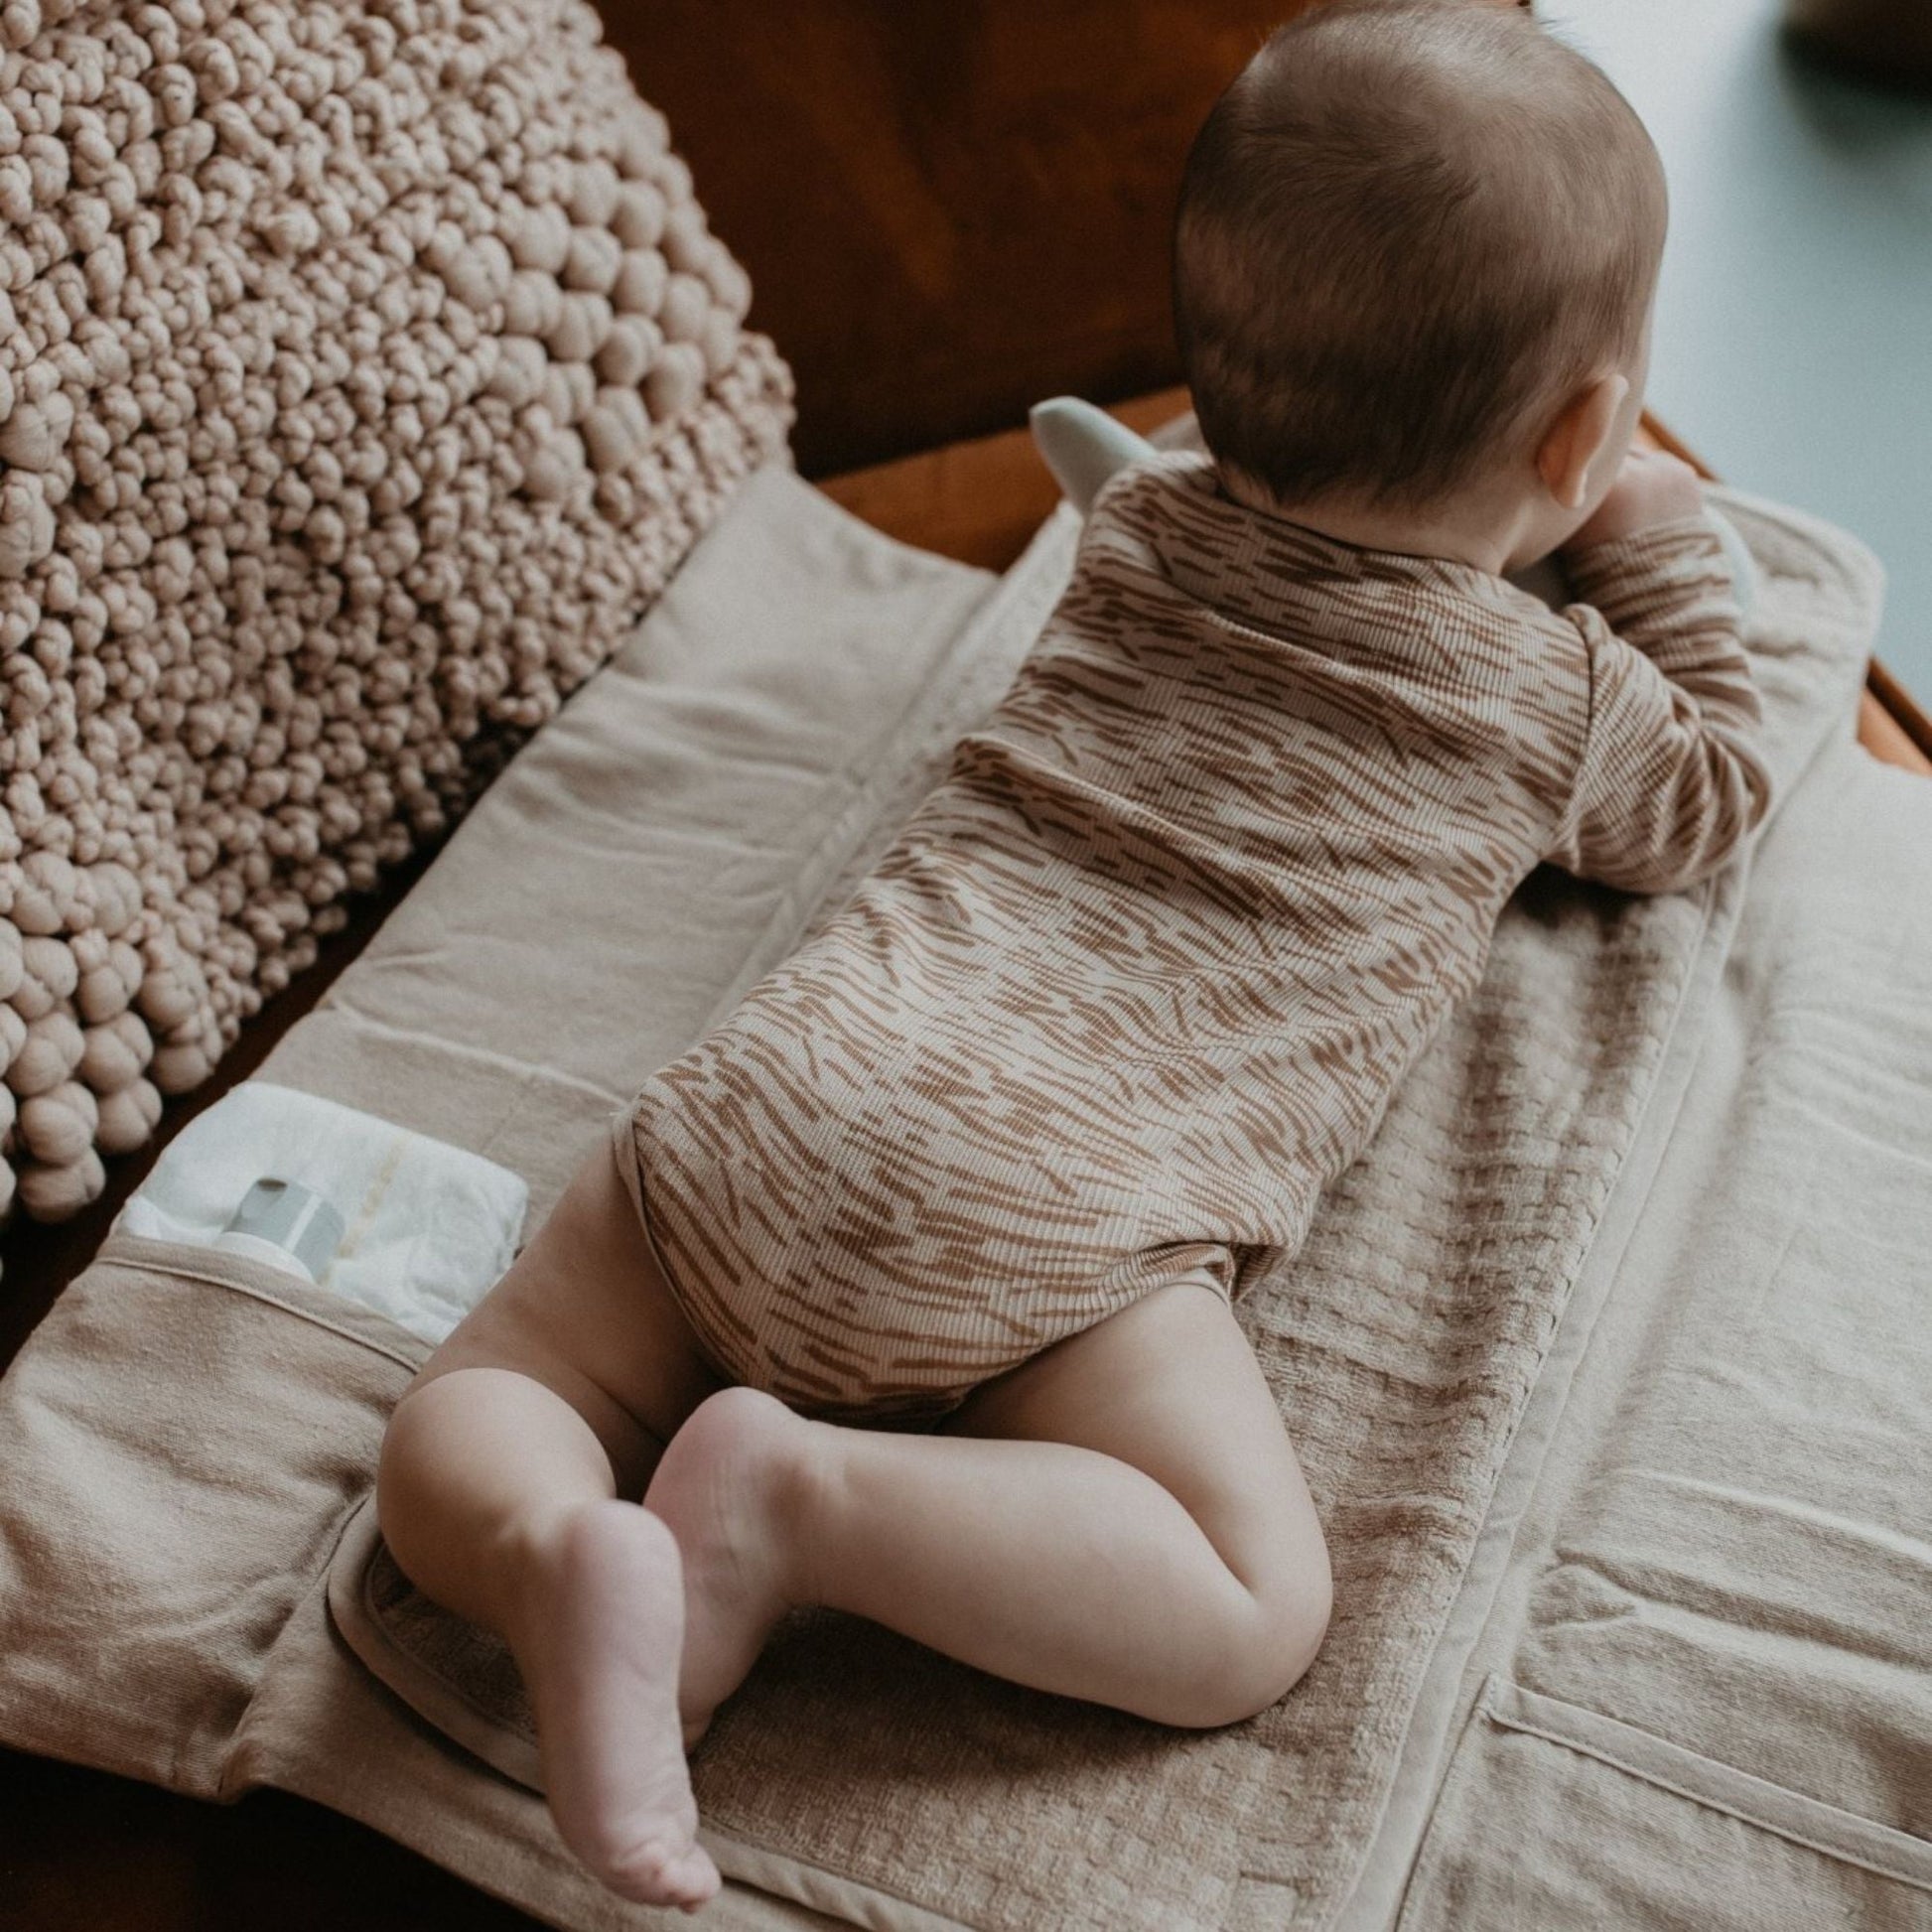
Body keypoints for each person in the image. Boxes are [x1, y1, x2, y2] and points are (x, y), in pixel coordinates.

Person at [375, 1, 1772, 1909]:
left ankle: (546, 1540)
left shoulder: (1132, 537)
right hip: (1050, 1226)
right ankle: (801, 1506)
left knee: (512, 1372)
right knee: (1243, 1599)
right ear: (1584, 432)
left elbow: (1163, 485)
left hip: (780, 1095)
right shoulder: (1552, 694)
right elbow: (1706, 807)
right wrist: (1660, 541)